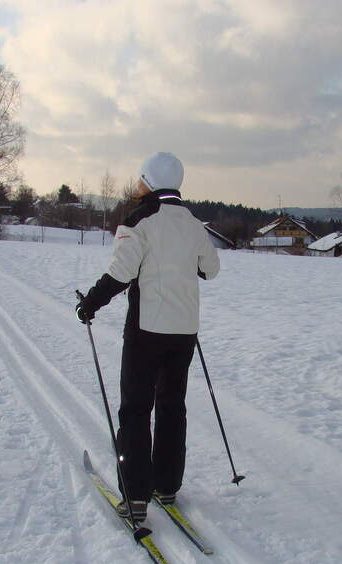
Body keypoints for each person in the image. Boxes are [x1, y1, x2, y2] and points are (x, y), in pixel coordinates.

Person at [77, 152, 220, 523]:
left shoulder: (138, 220)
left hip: (146, 332)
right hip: (183, 332)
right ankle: (167, 485)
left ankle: (136, 495)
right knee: (172, 407)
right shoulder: (193, 224)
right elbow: (211, 269)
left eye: (141, 178)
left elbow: (121, 273)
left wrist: (90, 303)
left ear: (151, 181)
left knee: (136, 410)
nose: (137, 184)